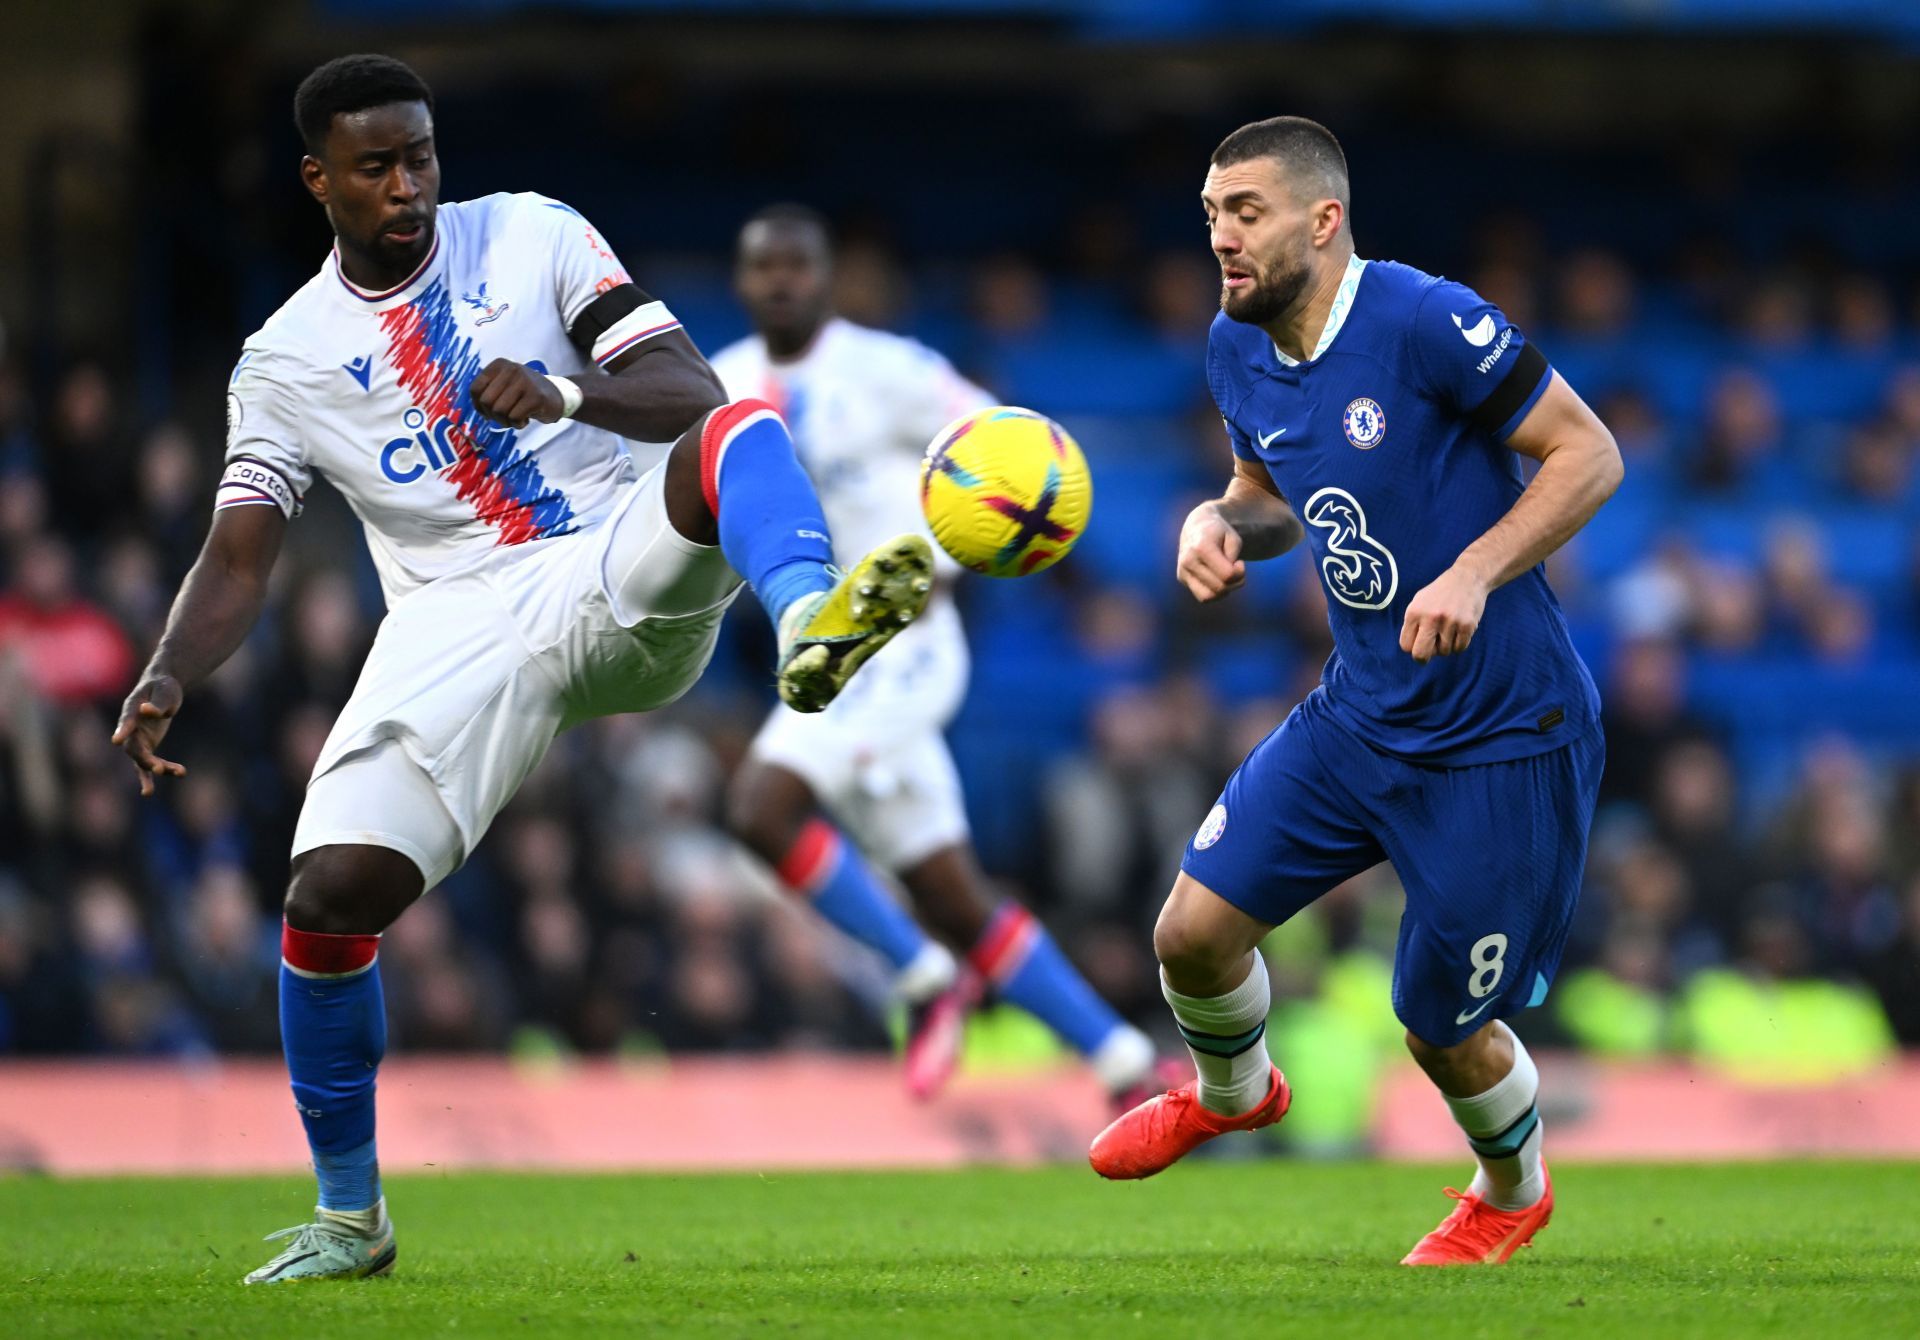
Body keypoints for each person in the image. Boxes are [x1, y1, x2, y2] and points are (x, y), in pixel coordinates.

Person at [111, 55, 933, 1284]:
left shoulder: (534, 236)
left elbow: (686, 387)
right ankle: (353, 1217)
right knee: (328, 896)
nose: (408, 186)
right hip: (449, 622)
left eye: (422, 157)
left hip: (609, 557)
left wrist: (563, 389)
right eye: (376, 166)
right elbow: (239, 555)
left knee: (737, 431)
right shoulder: (281, 361)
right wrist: (168, 669)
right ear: (317, 180)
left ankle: (810, 622)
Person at [1088, 117, 1621, 1268]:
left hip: (1502, 736)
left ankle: (1511, 1187)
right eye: (1212, 215)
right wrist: (1220, 520)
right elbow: (1269, 490)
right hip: (1361, 712)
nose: (1222, 239)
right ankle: (1235, 1091)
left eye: (1247, 213)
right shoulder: (1236, 344)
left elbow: (1589, 454)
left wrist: (1477, 568)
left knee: (1440, 1026)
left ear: (1322, 221)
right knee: (1189, 935)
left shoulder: (1427, 321)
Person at [710, 206, 1168, 1107]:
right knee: (952, 889)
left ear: (826, 275)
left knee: (762, 807)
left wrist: (1071, 582)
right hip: (820, 648)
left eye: (798, 267)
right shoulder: (724, 385)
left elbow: (1007, 454)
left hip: (906, 641)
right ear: (743, 280)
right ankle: (1122, 1061)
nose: (782, 283)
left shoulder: (888, 370)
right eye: (765, 269)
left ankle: (920, 977)